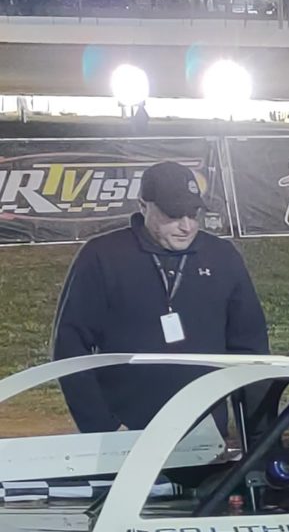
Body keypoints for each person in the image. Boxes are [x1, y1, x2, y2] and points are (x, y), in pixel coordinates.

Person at [51, 161, 267, 433]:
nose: (186, 226)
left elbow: (251, 349)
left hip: (206, 435)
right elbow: (70, 347)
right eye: (173, 215)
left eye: (192, 214)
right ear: (143, 205)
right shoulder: (103, 256)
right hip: (125, 434)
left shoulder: (223, 257)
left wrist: (260, 434)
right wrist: (103, 427)